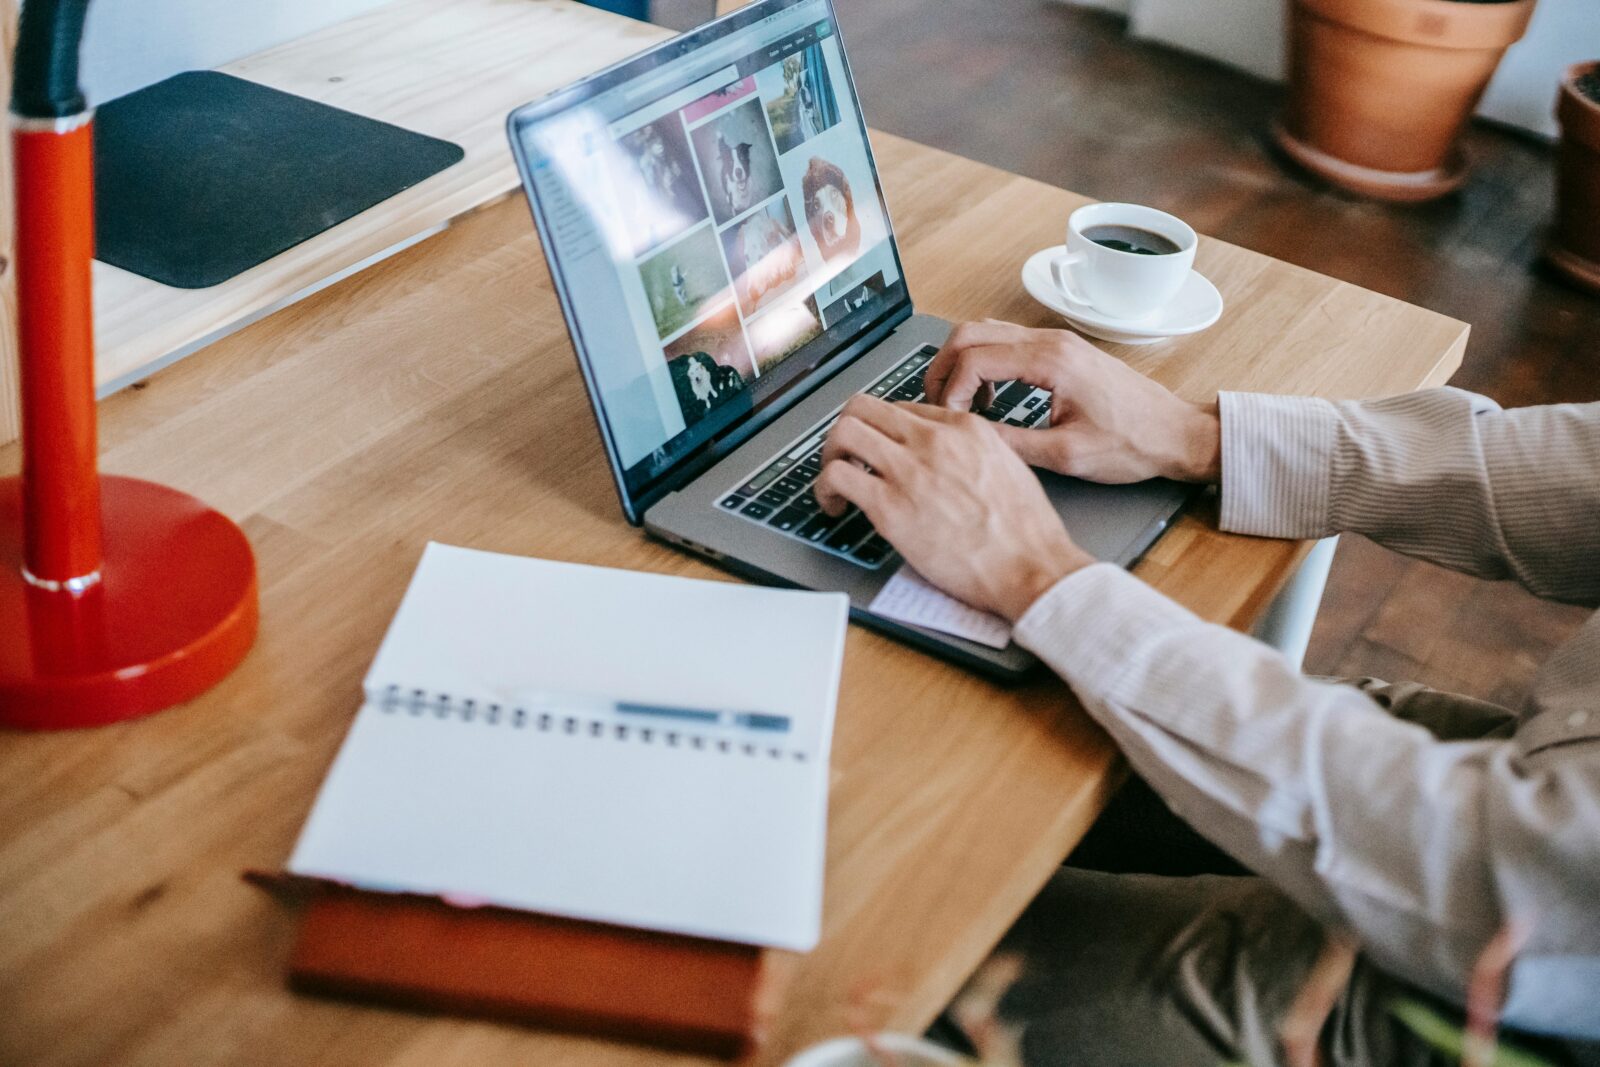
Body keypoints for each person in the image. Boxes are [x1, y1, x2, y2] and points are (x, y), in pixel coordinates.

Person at [814, 320, 1600, 1066]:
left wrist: (1038, 571)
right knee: (967, 758)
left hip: (1522, 966)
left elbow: (1502, 879)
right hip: (1541, 788)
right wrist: (1200, 438)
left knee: (864, 950)